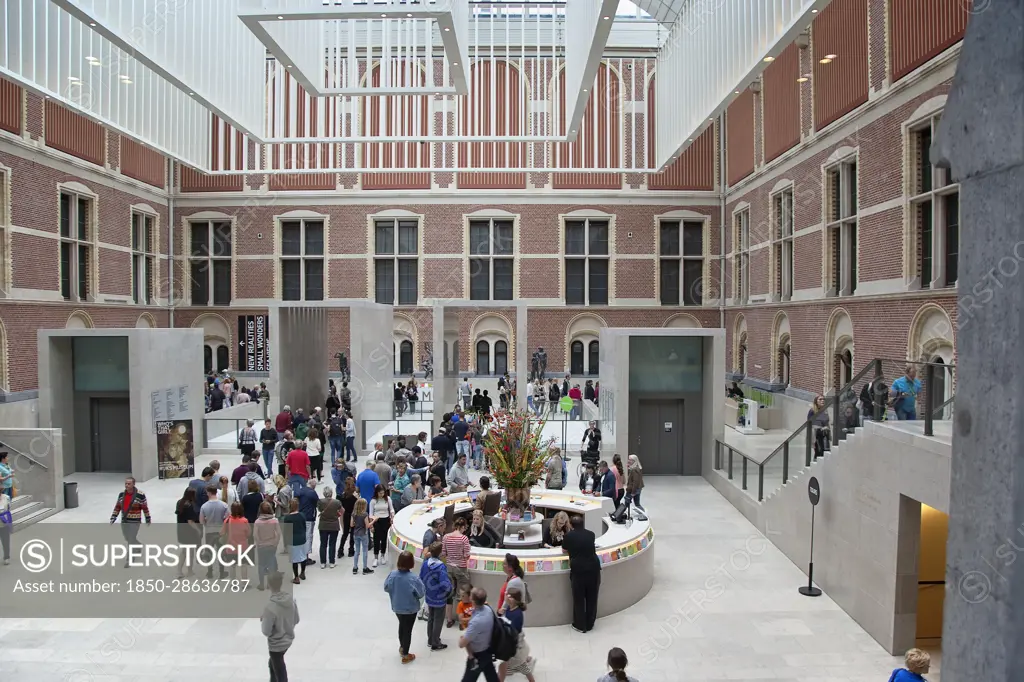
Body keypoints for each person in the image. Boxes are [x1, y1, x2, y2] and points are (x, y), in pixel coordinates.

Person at [384, 550, 426, 664]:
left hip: (397, 606)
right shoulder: (414, 578)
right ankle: (406, 654)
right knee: (408, 630)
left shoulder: (392, 575)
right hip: (410, 609)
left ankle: (402, 647)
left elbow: (386, 587)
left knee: (402, 626)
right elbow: (421, 593)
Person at [563, 515, 601, 633]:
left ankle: (580, 625)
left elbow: (564, 550)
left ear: (571, 525)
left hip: (578, 571)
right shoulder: (591, 534)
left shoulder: (568, 536)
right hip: (593, 569)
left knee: (579, 599)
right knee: (592, 597)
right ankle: (590, 623)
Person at [261, 570, 299, 682]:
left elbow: (266, 631)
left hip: (276, 645)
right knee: (272, 664)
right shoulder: (290, 600)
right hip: (288, 639)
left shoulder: (270, 608)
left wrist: (265, 619)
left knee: (280, 672)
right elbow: (296, 619)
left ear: (268, 584)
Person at [459, 587, 501, 682]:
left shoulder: (476, 622)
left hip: (477, 656)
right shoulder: (488, 609)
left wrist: (461, 639)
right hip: (488, 651)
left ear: (472, 600)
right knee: (492, 678)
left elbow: (462, 644)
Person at [419, 541, 452, 650]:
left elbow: (421, 577)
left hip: (429, 595)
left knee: (431, 618)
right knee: (438, 619)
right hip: (439, 597)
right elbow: (444, 582)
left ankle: (430, 639)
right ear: (440, 553)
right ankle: (435, 642)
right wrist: (449, 589)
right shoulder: (441, 567)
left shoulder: (425, 563)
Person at [498, 588, 536, 682]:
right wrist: (500, 613)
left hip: (514, 645)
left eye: (510, 596)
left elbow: (513, 630)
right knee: (513, 664)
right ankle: (526, 662)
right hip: (511, 643)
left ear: (516, 600)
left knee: (519, 665)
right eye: (507, 595)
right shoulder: (508, 608)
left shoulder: (517, 614)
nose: (507, 597)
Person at [109, 478, 151, 560]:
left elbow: (145, 507)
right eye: (126, 483)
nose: (127, 485)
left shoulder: (140, 495)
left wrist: (148, 518)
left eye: (129, 484)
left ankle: (130, 558)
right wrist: (113, 517)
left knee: (131, 538)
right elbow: (118, 507)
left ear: (133, 484)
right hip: (125, 520)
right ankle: (138, 545)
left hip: (135, 520)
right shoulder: (121, 494)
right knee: (127, 537)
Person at [443, 517, 472, 627]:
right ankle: (462, 621)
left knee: (449, 594)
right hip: (461, 568)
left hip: (449, 567)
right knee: (463, 594)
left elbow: (444, 553)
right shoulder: (464, 539)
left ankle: (449, 619)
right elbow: (466, 555)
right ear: (463, 527)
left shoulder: (446, 537)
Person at [200, 485, 229, 579]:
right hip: (221, 531)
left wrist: (206, 523)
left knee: (209, 551)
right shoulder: (224, 505)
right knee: (221, 551)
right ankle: (221, 572)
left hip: (209, 531)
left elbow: (201, 521)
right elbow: (227, 518)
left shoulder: (204, 506)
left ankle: (209, 572)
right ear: (216, 492)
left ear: (208, 493)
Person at [174, 488, 202, 577]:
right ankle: (189, 570)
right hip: (189, 532)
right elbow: (190, 521)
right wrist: (198, 530)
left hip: (181, 530)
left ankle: (179, 570)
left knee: (184, 551)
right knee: (190, 553)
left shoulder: (179, 502)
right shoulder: (189, 505)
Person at [254, 501, 281, 590]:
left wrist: (258, 543)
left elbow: (255, 535)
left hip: (261, 546)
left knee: (261, 565)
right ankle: (270, 584)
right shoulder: (274, 520)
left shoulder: (257, 521)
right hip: (271, 545)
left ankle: (261, 584)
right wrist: (275, 543)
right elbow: (278, 533)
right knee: (271, 564)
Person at [221, 501, 250, 581]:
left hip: (231, 547)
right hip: (243, 547)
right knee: (243, 565)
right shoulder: (244, 520)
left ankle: (233, 583)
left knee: (232, 566)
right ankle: (244, 583)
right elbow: (248, 534)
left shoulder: (227, 520)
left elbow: (222, 532)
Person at [317, 486, 343, 569]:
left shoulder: (320, 502)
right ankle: (332, 562)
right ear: (331, 493)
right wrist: (338, 515)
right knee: (332, 544)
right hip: (334, 525)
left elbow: (320, 510)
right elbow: (342, 510)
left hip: (323, 525)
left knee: (323, 544)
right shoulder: (337, 502)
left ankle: (323, 562)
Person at [369, 484, 395, 568]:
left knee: (384, 539)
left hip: (386, 520)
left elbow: (391, 508)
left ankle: (383, 555)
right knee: (376, 539)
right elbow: (370, 514)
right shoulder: (373, 501)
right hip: (376, 520)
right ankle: (376, 557)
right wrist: (371, 525)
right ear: (376, 493)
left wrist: (392, 514)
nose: (381, 495)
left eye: (383, 493)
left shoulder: (388, 499)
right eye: (380, 493)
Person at [283, 499, 307, 583]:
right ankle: (303, 573)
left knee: (294, 560)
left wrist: (285, 543)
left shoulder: (287, 518)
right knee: (303, 556)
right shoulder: (302, 515)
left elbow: (286, 532)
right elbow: (304, 527)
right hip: (302, 539)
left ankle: (296, 577)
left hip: (293, 540)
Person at [295, 479, 319, 565]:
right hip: (309, 517)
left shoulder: (300, 491)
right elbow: (317, 504)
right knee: (308, 537)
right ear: (314, 486)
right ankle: (306, 557)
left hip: (300, 516)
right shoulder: (312, 493)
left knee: (300, 536)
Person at [337, 477, 358, 559]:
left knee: (345, 533)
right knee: (352, 532)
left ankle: (340, 549)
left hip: (346, 515)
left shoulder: (343, 495)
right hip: (353, 514)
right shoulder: (354, 495)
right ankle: (351, 550)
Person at [351, 497, 373, 574]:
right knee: (364, 551)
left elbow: (351, 524)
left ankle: (355, 567)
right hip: (364, 533)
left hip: (356, 533)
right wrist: (373, 521)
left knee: (357, 551)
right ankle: (364, 568)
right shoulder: (365, 514)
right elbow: (367, 526)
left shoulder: (354, 513)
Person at [808, 394, 831, 459]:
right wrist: (820, 428)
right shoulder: (812, 411)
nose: (822, 401)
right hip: (816, 434)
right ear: (816, 401)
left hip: (824, 434)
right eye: (820, 399)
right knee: (819, 451)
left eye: (823, 399)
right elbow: (810, 423)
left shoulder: (825, 410)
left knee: (825, 451)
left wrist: (827, 428)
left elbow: (826, 422)